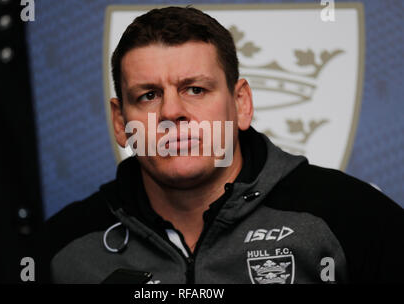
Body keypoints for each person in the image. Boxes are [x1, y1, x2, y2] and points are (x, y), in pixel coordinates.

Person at [43, 6, 403, 284]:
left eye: (195, 89)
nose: (172, 112)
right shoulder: (65, 248)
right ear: (121, 123)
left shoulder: (352, 219)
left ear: (241, 104)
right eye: (149, 95)